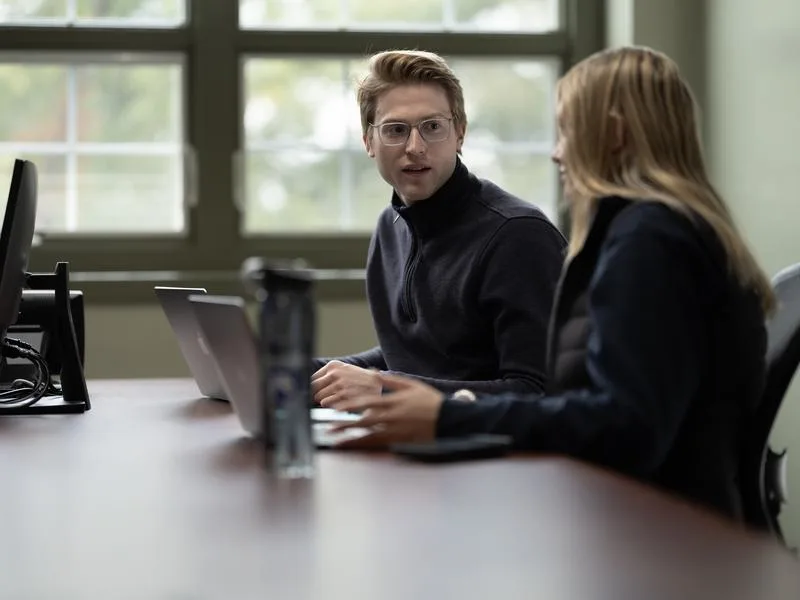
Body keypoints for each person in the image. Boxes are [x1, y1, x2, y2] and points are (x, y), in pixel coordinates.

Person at [322, 45, 776, 521]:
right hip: (644, 519)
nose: (558, 152)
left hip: (659, 538)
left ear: (615, 133)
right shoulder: (655, 230)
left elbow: (625, 427)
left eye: (567, 129)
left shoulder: (650, 241)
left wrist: (445, 414)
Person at [311, 50, 566, 406]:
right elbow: (413, 359)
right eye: (396, 130)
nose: (415, 148)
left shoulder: (518, 235)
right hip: (416, 446)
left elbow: (538, 391)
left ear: (460, 132)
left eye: (432, 127)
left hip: (497, 457)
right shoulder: (390, 227)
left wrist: (384, 387)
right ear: (368, 141)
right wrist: (306, 374)